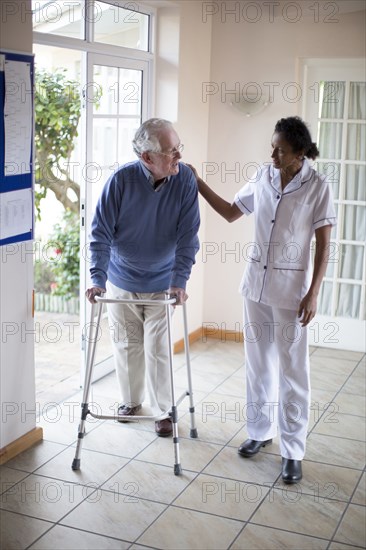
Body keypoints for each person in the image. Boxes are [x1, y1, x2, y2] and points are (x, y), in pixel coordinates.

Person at [188, 116, 336, 483]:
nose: (272, 153)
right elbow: (229, 212)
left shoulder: (318, 186)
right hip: (255, 284)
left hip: (292, 292)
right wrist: (196, 181)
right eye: (272, 145)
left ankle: (293, 451)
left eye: (280, 149)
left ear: (299, 153)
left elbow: (324, 245)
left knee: (293, 371)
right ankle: (259, 431)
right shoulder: (263, 176)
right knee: (258, 365)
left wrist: (314, 293)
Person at [86, 118, 200, 437]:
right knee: (126, 345)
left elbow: (189, 235)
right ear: (147, 158)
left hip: (163, 283)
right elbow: (100, 234)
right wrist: (98, 278)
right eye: (170, 151)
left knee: (158, 347)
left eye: (179, 148)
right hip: (122, 281)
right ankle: (131, 401)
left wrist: (180, 280)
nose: (178, 156)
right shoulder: (121, 181)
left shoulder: (185, 179)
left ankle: (163, 410)